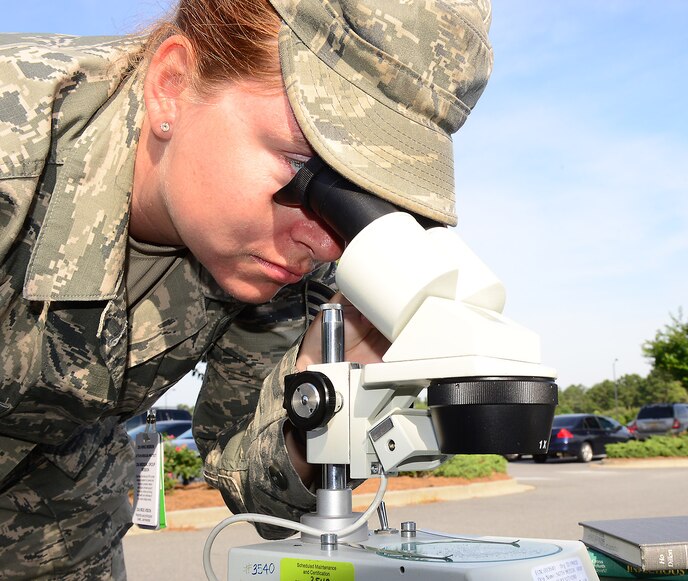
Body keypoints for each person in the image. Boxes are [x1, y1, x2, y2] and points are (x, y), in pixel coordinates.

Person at [0, 0, 493, 577]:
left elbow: (253, 489)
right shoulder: (16, 139)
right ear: (172, 85)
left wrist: (324, 406)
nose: (327, 242)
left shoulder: (296, 262)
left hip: (52, 521)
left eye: (366, 201)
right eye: (302, 170)